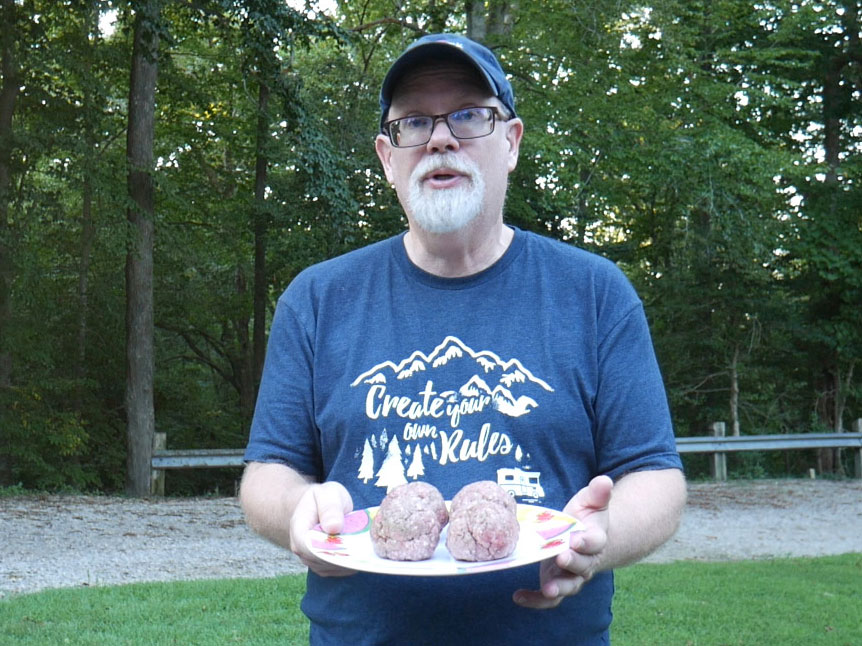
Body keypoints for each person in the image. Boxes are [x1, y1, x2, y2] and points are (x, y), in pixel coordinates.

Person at [240, 33, 686, 645]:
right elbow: (268, 472)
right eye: (414, 122)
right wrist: (296, 511)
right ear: (386, 156)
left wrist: (600, 537)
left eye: (470, 115)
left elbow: (655, 476)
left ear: (511, 143)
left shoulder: (594, 292)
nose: (440, 138)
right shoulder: (318, 300)